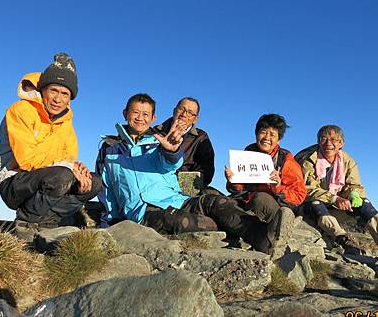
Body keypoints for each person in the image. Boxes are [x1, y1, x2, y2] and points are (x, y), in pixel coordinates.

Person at [96, 93, 289, 255]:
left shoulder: (158, 141)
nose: (140, 118)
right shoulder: (109, 148)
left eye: (145, 114)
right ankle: (243, 230)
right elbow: (106, 187)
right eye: (135, 112)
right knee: (182, 220)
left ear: (153, 118)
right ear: (125, 113)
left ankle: (262, 235)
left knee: (216, 202)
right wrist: (109, 223)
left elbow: (170, 164)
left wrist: (171, 151)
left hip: (177, 196)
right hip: (144, 209)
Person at [0, 53, 101, 240]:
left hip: (48, 178)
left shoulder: (66, 122)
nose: (58, 99)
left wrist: (78, 168)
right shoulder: (20, 111)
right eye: (53, 90)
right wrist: (68, 166)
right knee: (62, 175)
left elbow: (68, 157)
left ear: (70, 98)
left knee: (94, 182)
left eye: (65, 94)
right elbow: (26, 160)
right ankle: (25, 223)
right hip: (13, 181)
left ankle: (48, 223)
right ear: (43, 90)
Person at [295, 124, 378, 258]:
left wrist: (353, 194)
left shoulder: (347, 161)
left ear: (341, 143)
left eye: (334, 140)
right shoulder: (307, 160)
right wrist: (334, 199)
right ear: (318, 141)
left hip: (334, 208)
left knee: (364, 203)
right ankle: (344, 240)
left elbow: (354, 185)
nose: (328, 143)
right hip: (309, 208)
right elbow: (303, 189)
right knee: (315, 204)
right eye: (323, 139)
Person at [225, 114, 306, 228]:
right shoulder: (247, 153)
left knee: (260, 199)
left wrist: (278, 187)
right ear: (256, 134)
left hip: (272, 207)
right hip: (246, 201)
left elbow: (299, 195)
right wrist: (233, 180)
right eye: (263, 132)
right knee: (212, 196)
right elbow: (239, 189)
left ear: (278, 140)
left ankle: (256, 231)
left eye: (272, 135)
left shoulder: (285, 160)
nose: (267, 137)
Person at [155, 97, 215, 187]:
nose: (184, 114)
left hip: (183, 188)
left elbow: (206, 172)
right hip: (154, 184)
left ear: (195, 119)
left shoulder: (201, 138)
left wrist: (177, 184)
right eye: (181, 109)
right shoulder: (156, 132)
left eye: (190, 113)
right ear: (174, 111)